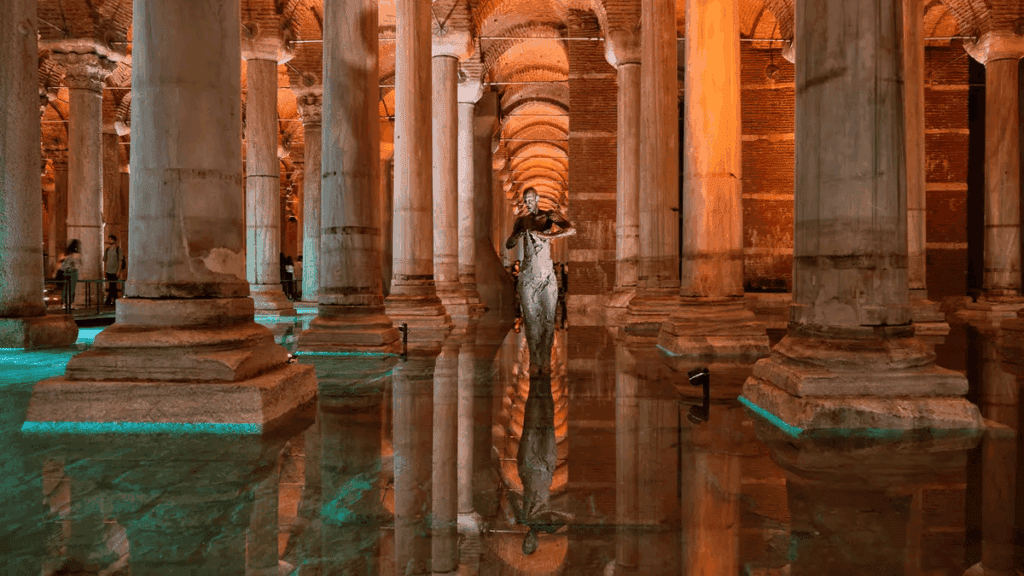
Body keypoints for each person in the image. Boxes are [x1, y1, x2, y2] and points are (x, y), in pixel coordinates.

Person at [505, 188, 575, 377]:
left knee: (547, 321)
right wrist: (517, 236)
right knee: (531, 320)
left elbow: (571, 229)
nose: (528, 203)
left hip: (546, 277)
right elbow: (508, 244)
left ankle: (545, 361)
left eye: (530, 199)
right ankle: (534, 360)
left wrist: (548, 237)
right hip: (528, 276)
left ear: (537, 199)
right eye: (525, 200)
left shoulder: (548, 216)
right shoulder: (521, 221)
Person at [55, 239, 82, 311]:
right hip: (73, 272)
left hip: (65, 272)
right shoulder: (77, 255)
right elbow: (78, 264)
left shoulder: (65, 254)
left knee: (65, 288)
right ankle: (71, 303)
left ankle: (64, 304)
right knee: (72, 288)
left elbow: (60, 263)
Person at [103, 235, 121, 306]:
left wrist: (119, 270)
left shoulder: (118, 249)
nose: (109, 241)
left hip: (115, 270)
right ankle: (115, 301)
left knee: (112, 286)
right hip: (108, 270)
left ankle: (108, 301)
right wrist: (104, 270)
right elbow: (104, 260)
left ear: (114, 240)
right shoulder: (107, 250)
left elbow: (120, 260)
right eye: (109, 239)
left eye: (111, 239)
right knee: (112, 286)